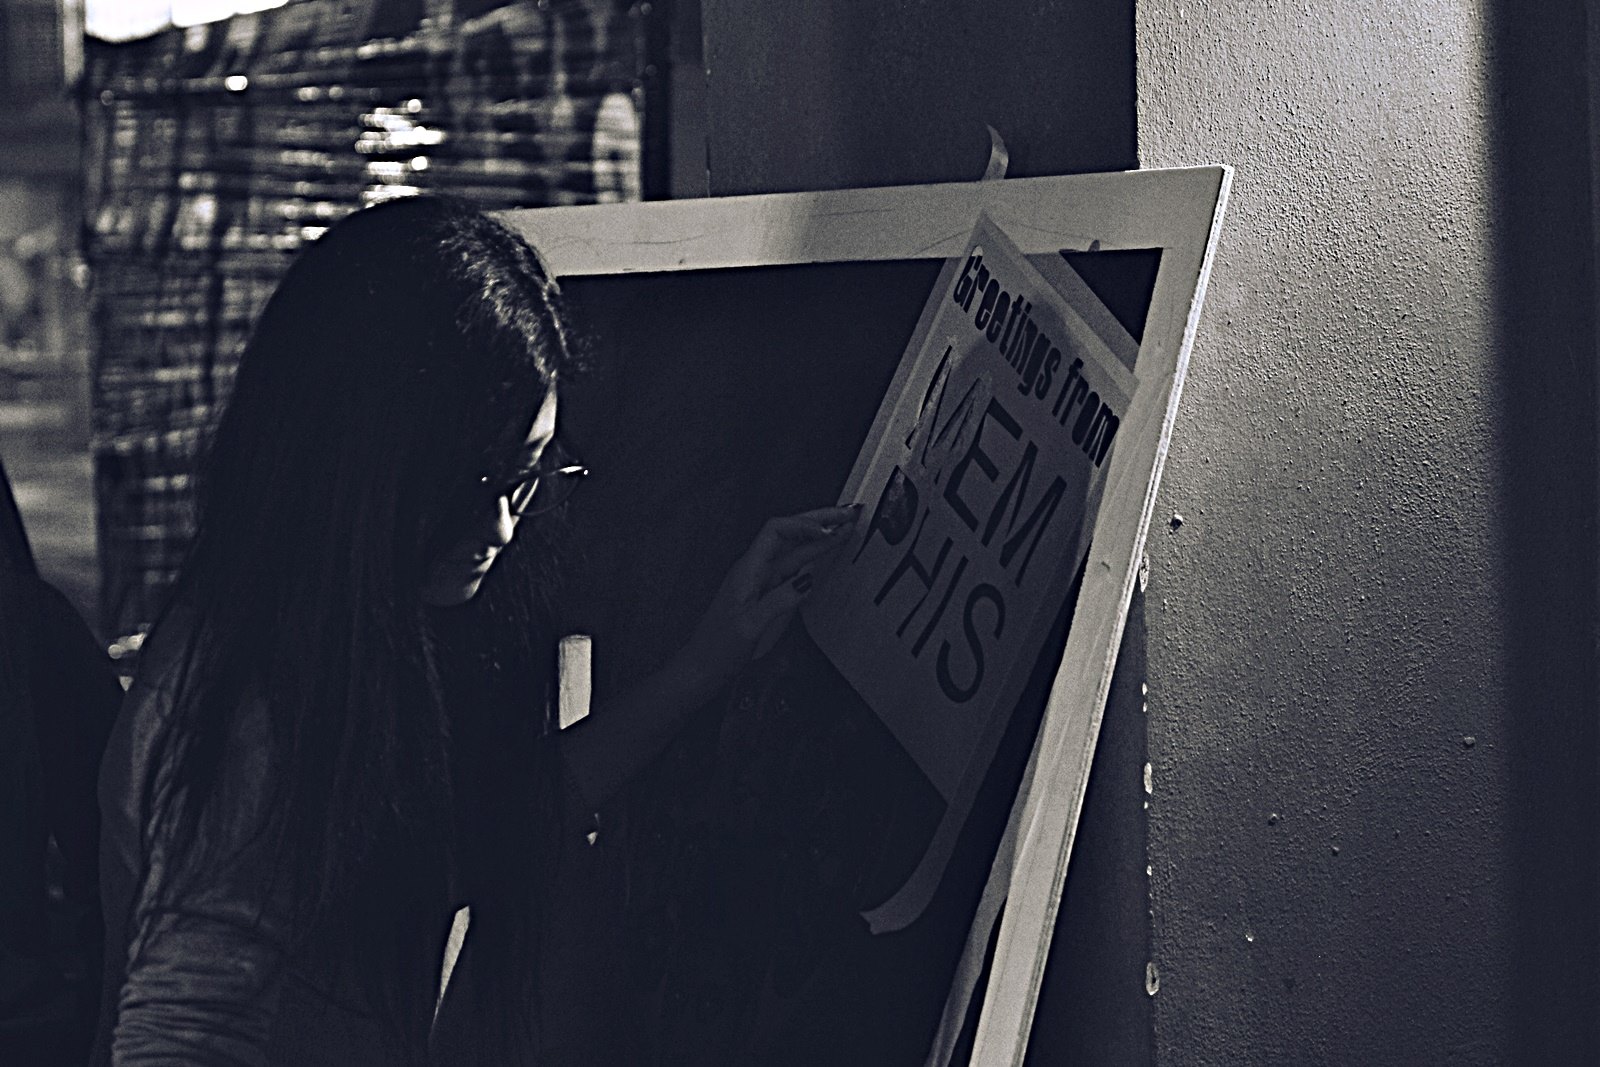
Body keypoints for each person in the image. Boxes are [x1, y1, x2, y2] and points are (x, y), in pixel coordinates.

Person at [91, 195, 856, 1065]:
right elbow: (180, 1033)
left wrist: (710, 657)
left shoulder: (341, 642)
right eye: (471, 480)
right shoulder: (249, 705)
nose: (499, 526)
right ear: (365, 465)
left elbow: (471, 840)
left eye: (526, 477)